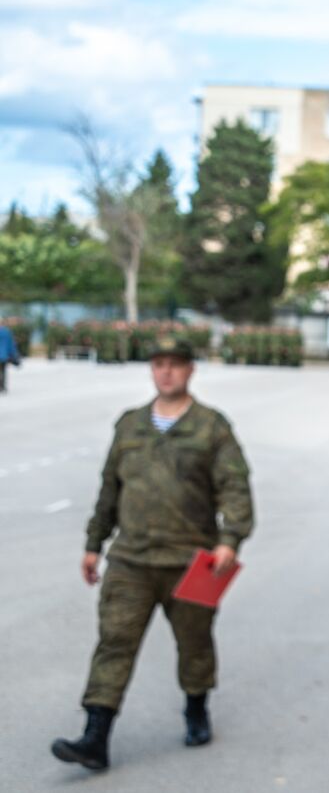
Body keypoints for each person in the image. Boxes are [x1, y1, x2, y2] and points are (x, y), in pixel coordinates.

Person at [52, 335, 254, 771]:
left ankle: (196, 707)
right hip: (132, 560)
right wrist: (94, 543)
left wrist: (229, 540)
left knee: (194, 644)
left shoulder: (211, 427)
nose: (166, 372)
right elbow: (110, 488)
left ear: (190, 371)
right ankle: (95, 736)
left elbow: (235, 487)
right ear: (151, 370)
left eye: (175, 364)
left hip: (192, 561)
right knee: (114, 642)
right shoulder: (129, 425)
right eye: (159, 364)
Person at [0, 322, 21, 393]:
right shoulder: (7, 332)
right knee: (3, 371)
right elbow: (11, 344)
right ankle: (2, 386)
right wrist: (14, 354)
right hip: (4, 355)